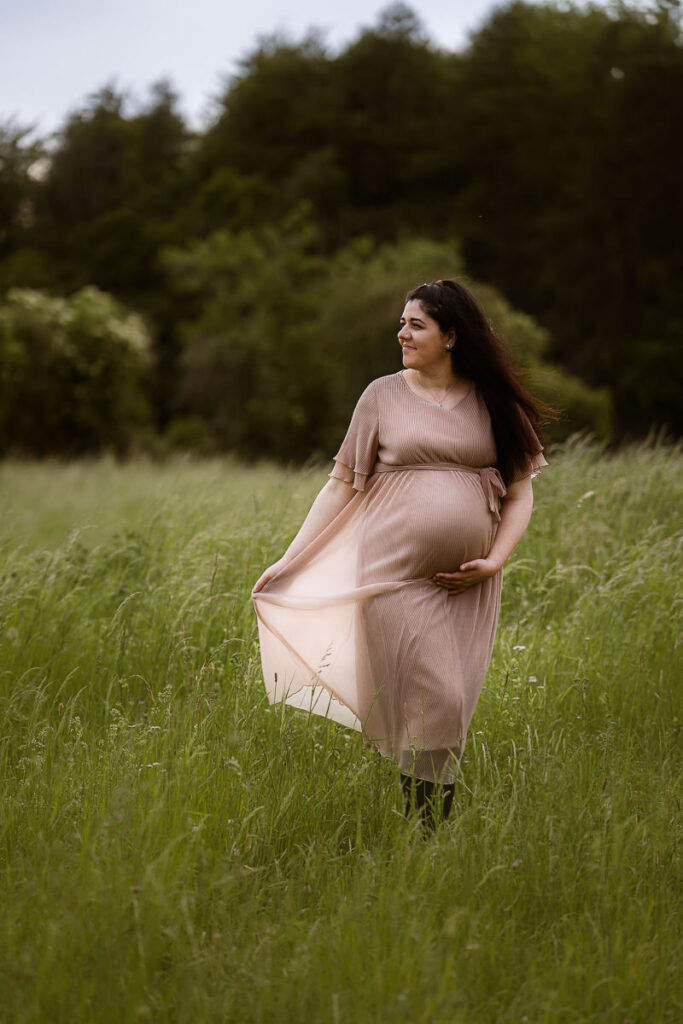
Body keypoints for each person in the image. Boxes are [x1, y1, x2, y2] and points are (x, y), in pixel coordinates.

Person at [252, 279, 550, 829]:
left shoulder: (493, 402)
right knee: (437, 696)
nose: (402, 334)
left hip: (469, 582)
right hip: (391, 575)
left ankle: (425, 835)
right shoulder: (381, 395)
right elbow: (341, 485)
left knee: (447, 706)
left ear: (452, 336)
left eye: (416, 325)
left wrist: (496, 560)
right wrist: (291, 557)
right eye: (402, 323)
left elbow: (521, 490)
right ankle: (429, 832)